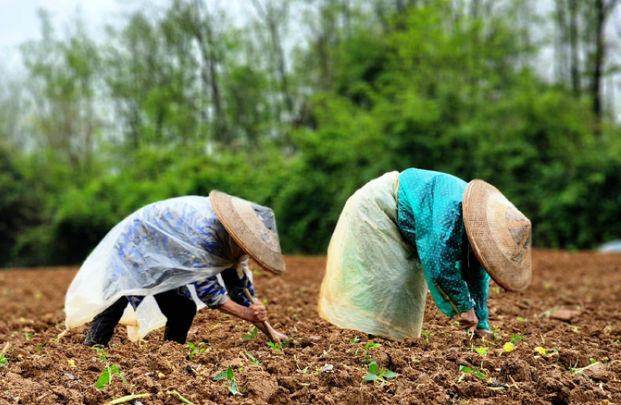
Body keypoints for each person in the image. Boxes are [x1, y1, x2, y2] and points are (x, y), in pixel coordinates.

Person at [319, 169, 532, 341]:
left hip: (405, 217)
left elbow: (475, 274)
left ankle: (384, 341)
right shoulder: (452, 212)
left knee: (404, 283)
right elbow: (438, 267)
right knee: (393, 279)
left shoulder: (479, 227)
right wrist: (464, 307)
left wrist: (482, 323)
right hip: (377, 206)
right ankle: (367, 337)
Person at [65, 191, 289, 346]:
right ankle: (92, 353)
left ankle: (171, 355)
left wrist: (269, 330)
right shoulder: (208, 237)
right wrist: (247, 314)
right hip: (138, 241)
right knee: (119, 298)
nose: (249, 254)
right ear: (238, 236)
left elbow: (240, 292)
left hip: (169, 256)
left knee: (182, 308)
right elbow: (209, 292)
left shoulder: (235, 251)